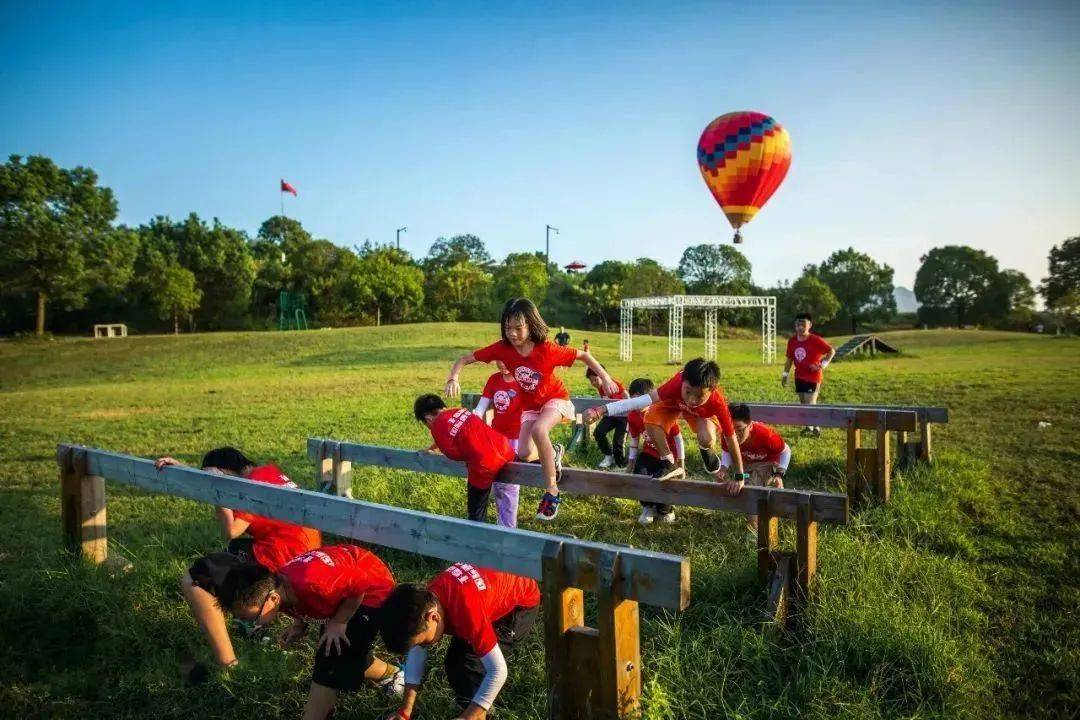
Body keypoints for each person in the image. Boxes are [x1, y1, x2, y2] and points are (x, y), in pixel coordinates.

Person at [444, 297, 619, 521]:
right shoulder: (503, 349)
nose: (513, 334)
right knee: (525, 454)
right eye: (508, 328)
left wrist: (604, 377)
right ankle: (554, 452)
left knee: (539, 430)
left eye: (518, 328)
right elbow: (465, 359)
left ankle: (552, 492)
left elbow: (583, 355)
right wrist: (453, 377)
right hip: (532, 407)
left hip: (556, 399)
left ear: (531, 324)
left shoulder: (546, 349)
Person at [154, 447, 321, 675]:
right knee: (233, 553)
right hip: (303, 553)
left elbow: (231, 530)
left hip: (282, 556)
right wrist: (184, 469)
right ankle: (251, 619)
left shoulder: (250, 486)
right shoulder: (266, 473)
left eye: (215, 475)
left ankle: (228, 665)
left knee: (197, 578)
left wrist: (217, 488)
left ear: (225, 471)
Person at [218, 545, 402, 720]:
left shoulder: (313, 584)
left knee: (331, 658)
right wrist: (299, 624)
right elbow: (300, 604)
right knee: (343, 651)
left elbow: (360, 582)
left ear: (273, 599)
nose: (249, 623)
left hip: (372, 589)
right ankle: (391, 673)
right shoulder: (279, 588)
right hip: (343, 588)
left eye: (251, 618)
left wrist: (339, 621)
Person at [378, 563, 541, 720]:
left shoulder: (468, 612)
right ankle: (472, 704)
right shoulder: (425, 601)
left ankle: (480, 712)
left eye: (425, 642)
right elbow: (417, 652)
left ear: (433, 617)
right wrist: (405, 711)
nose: (424, 646)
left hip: (518, 606)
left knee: (468, 665)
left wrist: (469, 716)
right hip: (487, 595)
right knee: (457, 662)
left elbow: (498, 671)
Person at [583, 358, 748, 496]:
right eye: (688, 391)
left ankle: (706, 450)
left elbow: (731, 437)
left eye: (699, 396)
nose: (691, 399)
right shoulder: (675, 385)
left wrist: (740, 475)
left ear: (711, 391)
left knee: (707, 439)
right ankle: (668, 462)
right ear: (682, 382)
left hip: (703, 414)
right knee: (650, 418)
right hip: (674, 404)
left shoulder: (717, 402)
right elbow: (638, 401)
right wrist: (601, 410)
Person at [416, 394, 517, 524]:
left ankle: (477, 535)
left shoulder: (436, 426)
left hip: (484, 464)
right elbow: (459, 431)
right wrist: (433, 447)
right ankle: (507, 526)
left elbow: (451, 453)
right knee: (506, 492)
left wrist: (465, 453)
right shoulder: (459, 411)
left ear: (427, 418)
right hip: (504, 447)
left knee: (476, 510)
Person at [622, 378, 685, 524]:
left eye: (639, 400)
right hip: (649, 453)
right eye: (633, 400)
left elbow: (678, 438)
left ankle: (665, 509)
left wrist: (681, 463)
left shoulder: (662, 412)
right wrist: (631, 463)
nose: (636, 405)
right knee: (640, 475)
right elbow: (635, 439)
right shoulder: (633, 416)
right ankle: (648, 507)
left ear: (649, 398)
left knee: (664, 480)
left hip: (668, 456)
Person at [719, 404, 791, 530]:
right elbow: (726, 451)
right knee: (741, 483)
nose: (734, 435)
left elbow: (785, 451)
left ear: (750, 425)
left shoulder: (766, 435)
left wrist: (779, 474)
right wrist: (724, 467)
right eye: (731, 430)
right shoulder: (727, 435)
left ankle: (754, 529)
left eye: (740, 429)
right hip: (744, 469)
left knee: (753, 485)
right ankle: (756, 513)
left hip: (766, 465)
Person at [473, 362, 527, 527]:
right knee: (498, 482)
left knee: (509, 483)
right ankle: (502, 522)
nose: (502, 364)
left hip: (518, 437)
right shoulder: (494, 379)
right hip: (496, 437)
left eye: (506, 359)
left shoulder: (523, 381)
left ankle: (508, 527)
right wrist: (472, 419)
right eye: (498, 360)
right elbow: (481, 407)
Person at [782, 313, 836, 436]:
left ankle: (816, 427)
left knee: (810, 403)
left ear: (809, 325)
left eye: (803, 324)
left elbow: (831, 351)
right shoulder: (792, 341)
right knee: (803, 404)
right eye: (797, 324)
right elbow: (789, 359)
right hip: (799, 376)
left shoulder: (815, 340)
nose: (800, 327)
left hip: (813, 377)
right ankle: (809, 427)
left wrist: (822, 365)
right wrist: (785, 374)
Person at [586, 364, 630, 468]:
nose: (593, 383)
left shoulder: (614, 383)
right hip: (610, 415)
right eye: (591, 381)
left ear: (602, 376)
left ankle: (621, 465)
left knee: (618, 443)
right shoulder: (600, 388)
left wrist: (629, 412)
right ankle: (608, 455)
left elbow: (626, 395)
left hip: (623, 417)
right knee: (598, 433)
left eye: (595, 380)